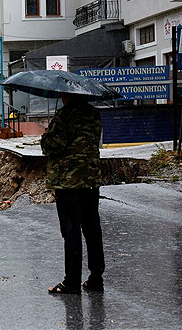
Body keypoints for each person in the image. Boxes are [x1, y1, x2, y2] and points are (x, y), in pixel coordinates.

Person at [41, 92, 105, 294]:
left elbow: (53, 145)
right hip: (90, 180)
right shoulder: (94, 114)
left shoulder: (64, 115)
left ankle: (72, 282)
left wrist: (45, 136)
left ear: (68, 96)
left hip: (68, 182)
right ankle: (96, 278)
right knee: (92, 229)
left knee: (71, 231)